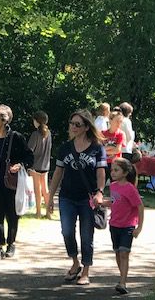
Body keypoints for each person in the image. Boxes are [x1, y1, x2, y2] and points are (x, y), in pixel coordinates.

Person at [48, 109, 106, 286]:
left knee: (86, 235)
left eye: (77, 124)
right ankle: (74, 262)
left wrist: (100, 192)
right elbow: (58, 173)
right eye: (71, 123)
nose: (73, 127)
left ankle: (86, 270)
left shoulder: (97, 148)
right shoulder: (65, 148)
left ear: (87, 127)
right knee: (66, 231)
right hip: (67, 196)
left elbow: (101, 173)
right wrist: (50, 197)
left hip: (87, 199)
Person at [0, 104, 34, 260]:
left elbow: (29, 157)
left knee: (12, 214)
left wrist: (20, 165)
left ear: (4, 120)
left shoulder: (16, 138)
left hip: (12, 183)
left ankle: (11, 244)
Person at [101, 157, 144, 294]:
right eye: (112, 170)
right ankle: (122, 277)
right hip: (114, 224)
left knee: (124, 253)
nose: (112, 173)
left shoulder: (130, 189)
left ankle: (123, 282)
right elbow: (114, 202)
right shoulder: (113, 186)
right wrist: (101, 202)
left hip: (128, 226)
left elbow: (140, 207)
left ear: (125, 173)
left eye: (116, 170)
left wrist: (139, 227)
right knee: (118, 253)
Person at [27, 110, 52, 219]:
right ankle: (48, 212)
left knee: (37, 189)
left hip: (35, 165)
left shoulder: (35, 134)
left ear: (37, 121)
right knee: (45, 189)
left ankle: (38, 212)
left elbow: (29, 150)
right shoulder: (49, 133)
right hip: (45, 165)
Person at [102, 111, 126, 181]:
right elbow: (99, 150)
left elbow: (117, 150)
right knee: (100, 184)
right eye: (117, 121)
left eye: (120, 121)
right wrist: (112, 147)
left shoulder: (120, 134)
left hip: (116, 164)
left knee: (115, 185)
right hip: (104, 163)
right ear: (110, 120)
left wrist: (105, 149)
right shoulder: (103, 134)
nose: (119, 123)